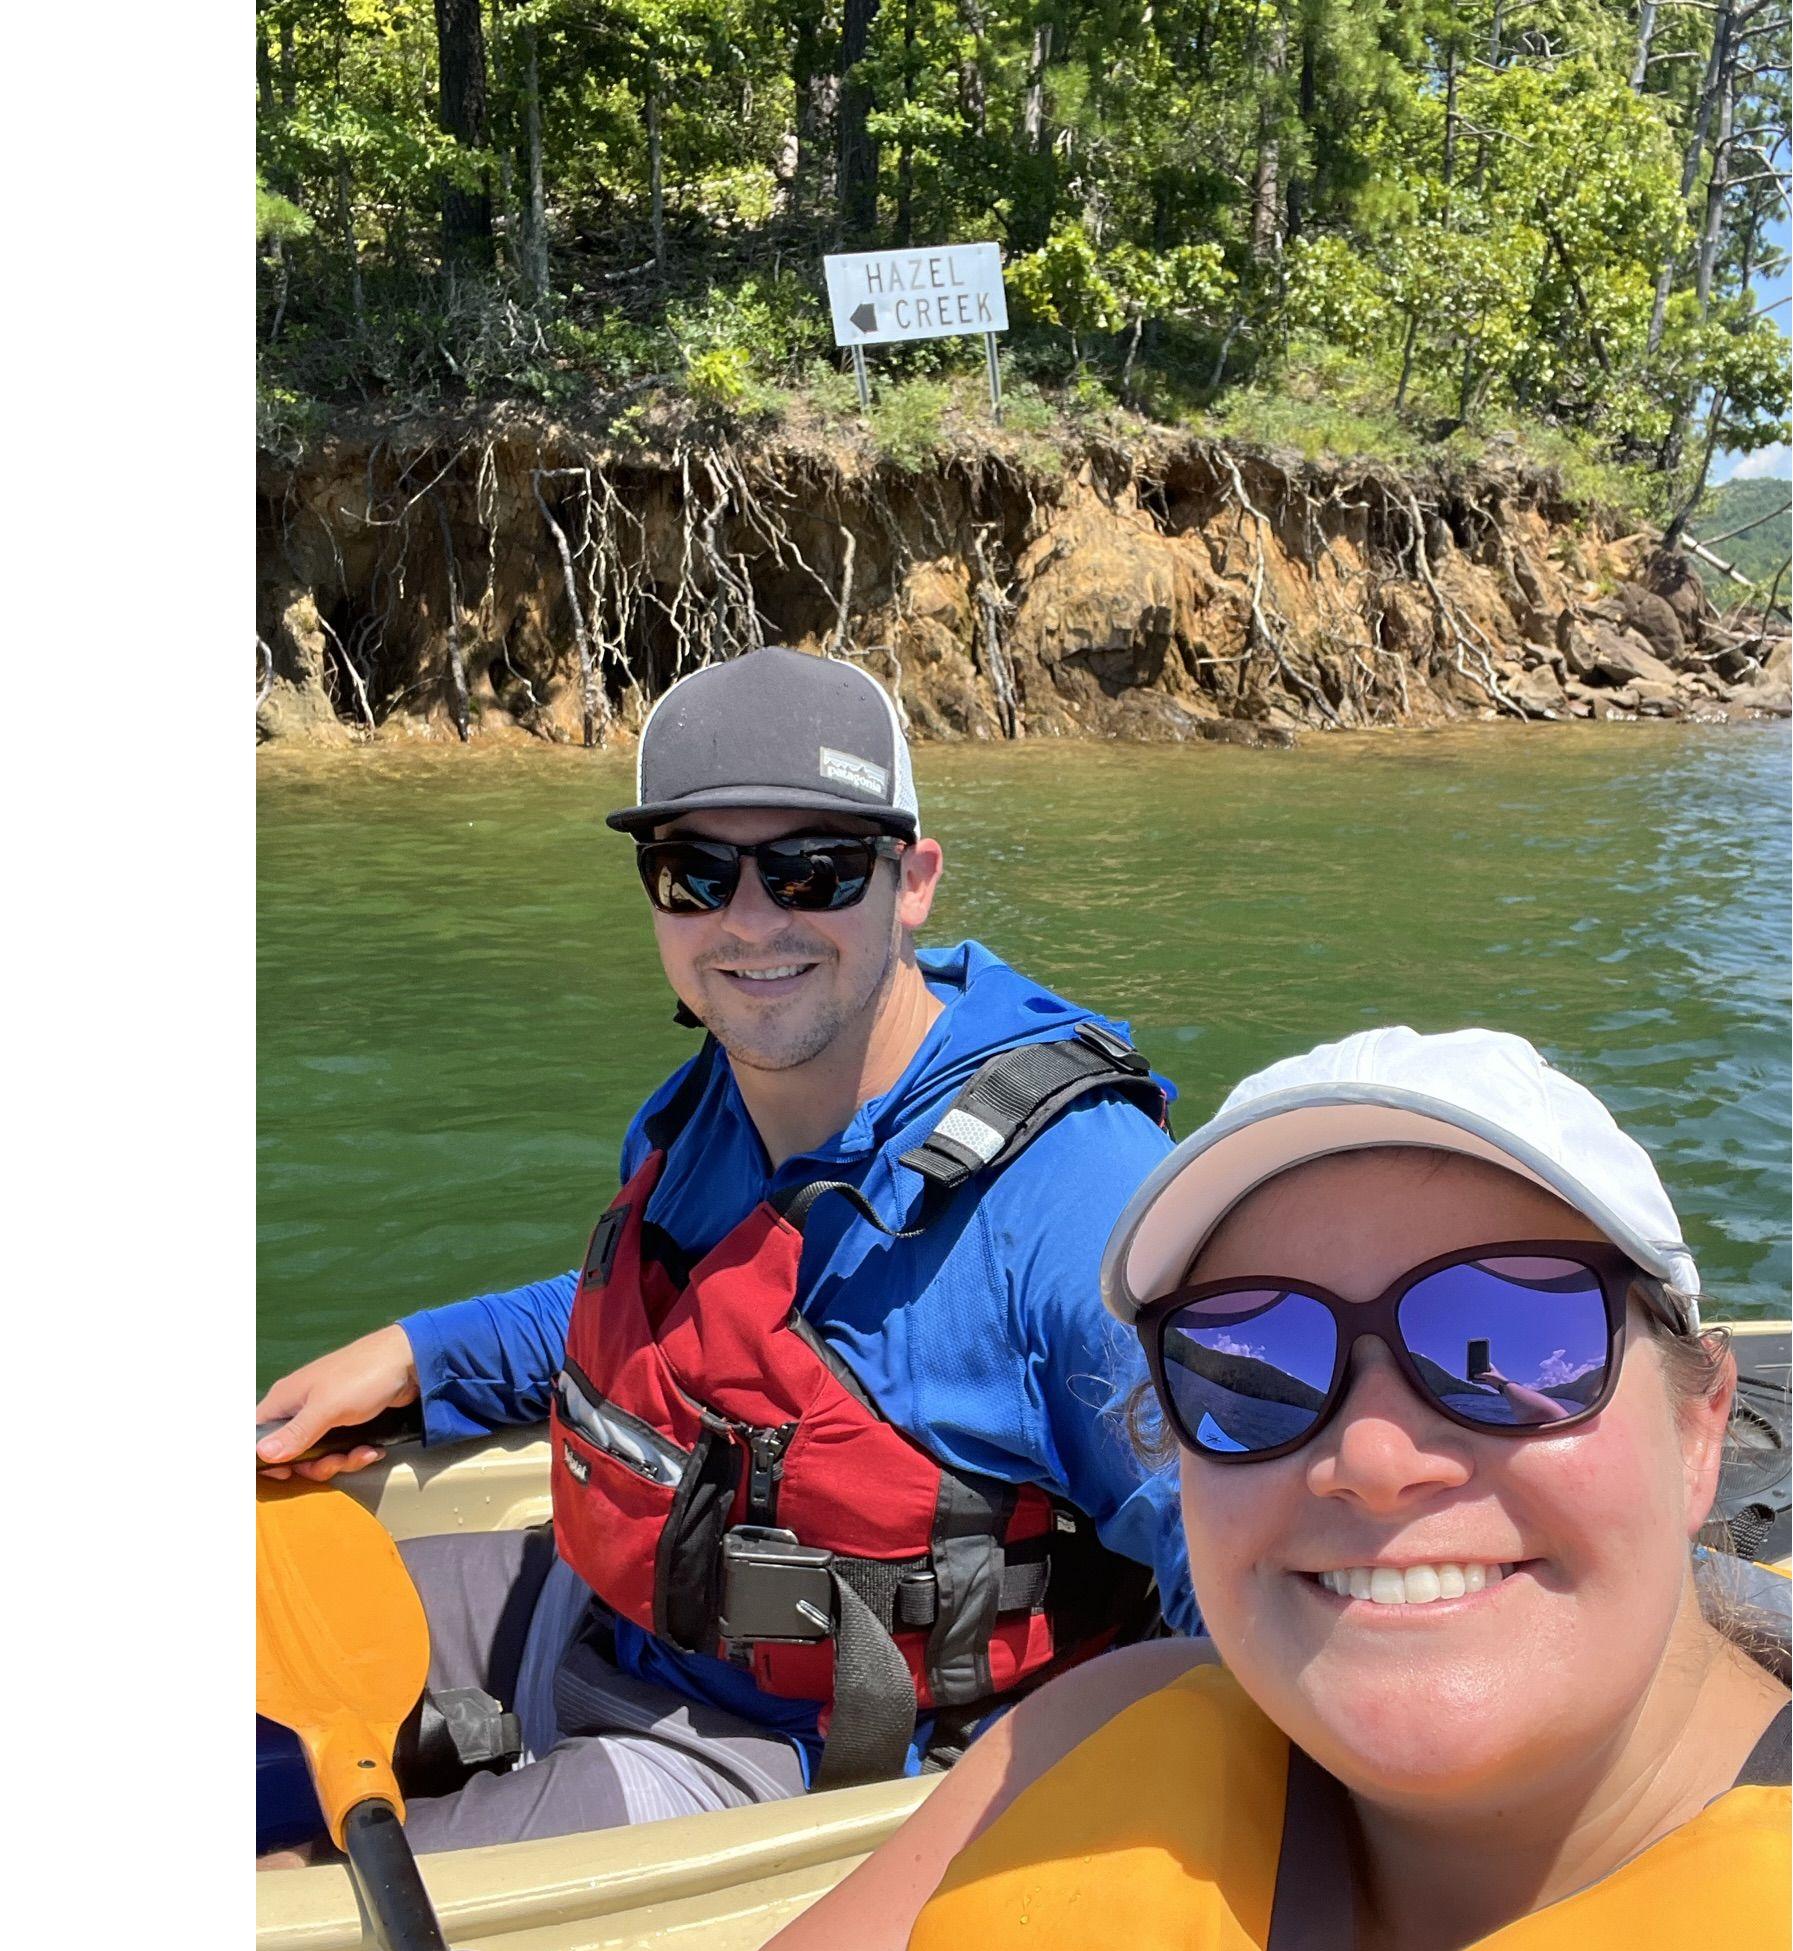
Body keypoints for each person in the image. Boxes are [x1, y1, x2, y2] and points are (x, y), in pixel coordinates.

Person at [673, 1026, 1790, 1951]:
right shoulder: (1085, 1735)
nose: (1372, 1457)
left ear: (1699, 1428)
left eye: (1509, 1338)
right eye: (1250, 1367)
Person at [255, 649, 1195, 1855]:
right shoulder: (740, 1084)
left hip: (790, 1753)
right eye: (694, 870)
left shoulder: (1071, 1198)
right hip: (604, 1609)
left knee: (274, 1894)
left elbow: (1237, 1545)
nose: (751, 922)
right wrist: (421, 1354)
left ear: (911, 881)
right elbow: (698, 1315)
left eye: (812, 867)